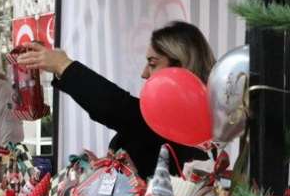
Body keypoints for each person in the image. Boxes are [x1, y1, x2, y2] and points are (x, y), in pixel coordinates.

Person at [17, 21, 213, 179]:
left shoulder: (182, 129)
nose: (144, 74)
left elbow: (118, 108)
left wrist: (63, 65)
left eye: (152, 64)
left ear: (179, 67)